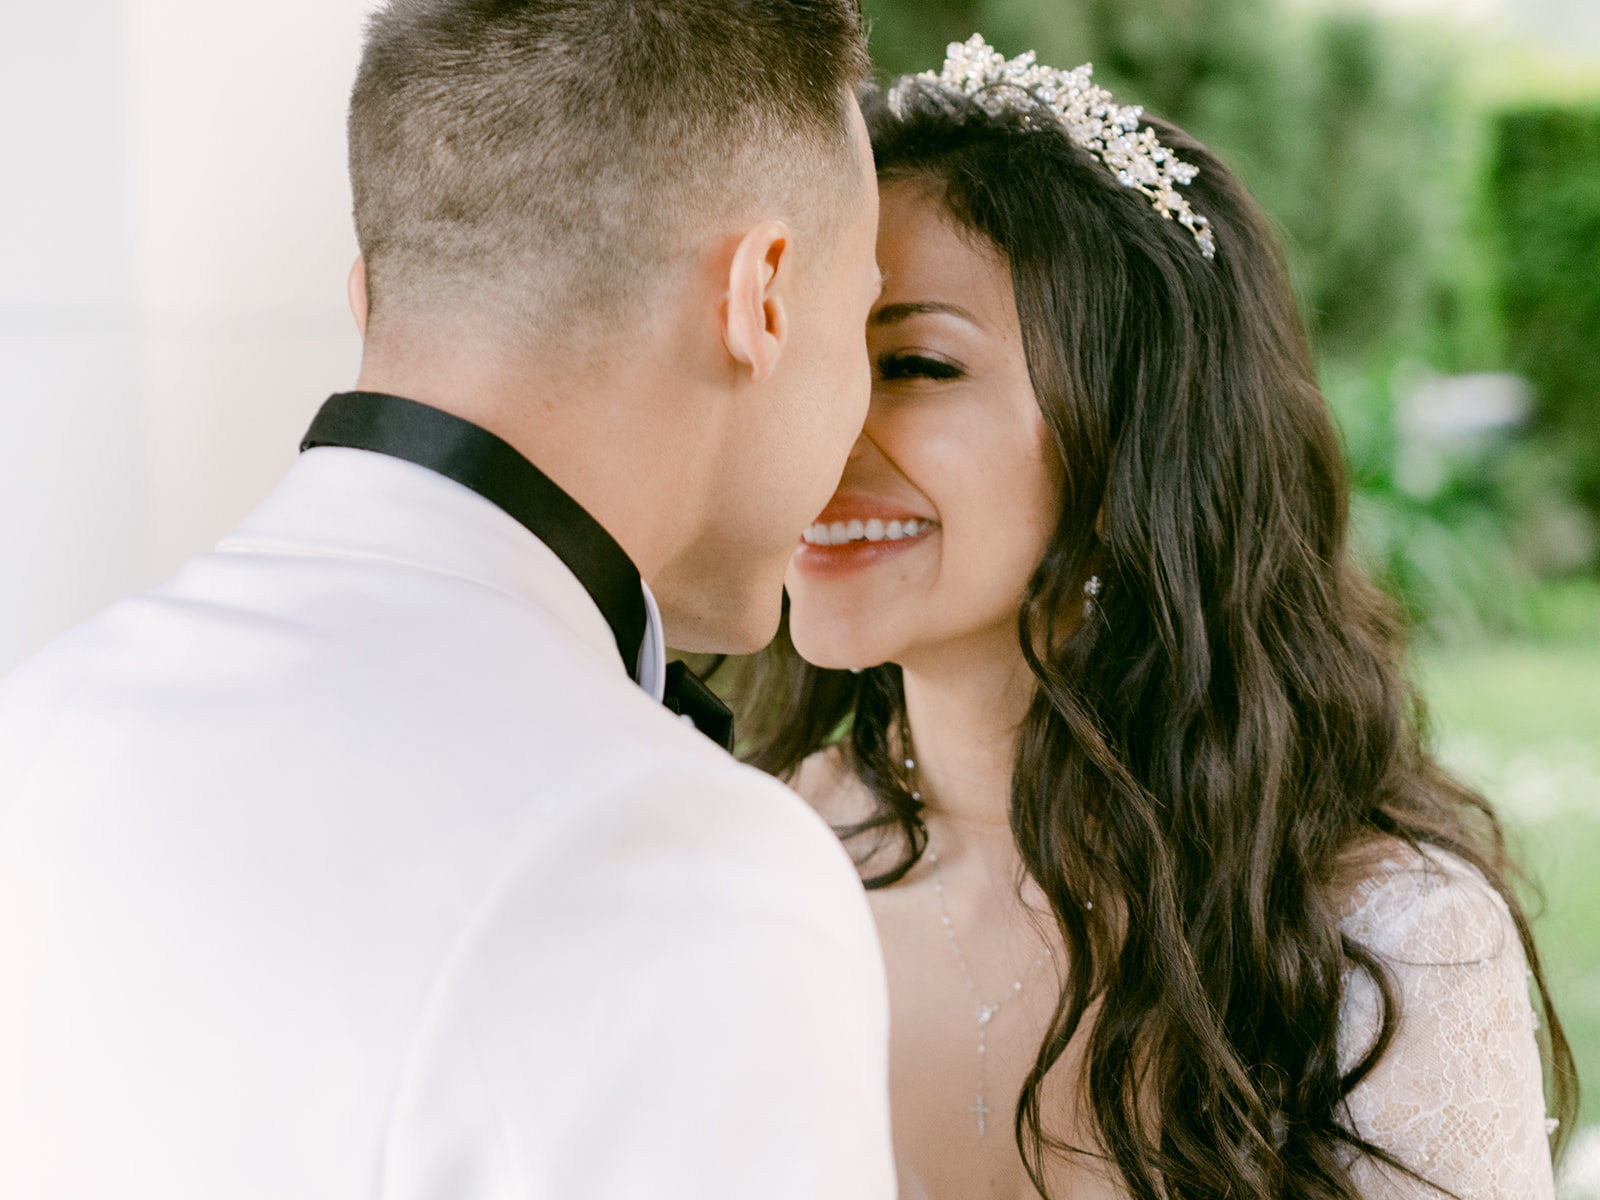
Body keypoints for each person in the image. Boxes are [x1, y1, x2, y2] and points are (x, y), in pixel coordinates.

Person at [0, 3, 895, 1197]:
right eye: (870, 322)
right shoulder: (679, 864)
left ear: (373, 303)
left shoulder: (41, 719)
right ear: (763, 298)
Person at [735, 36, 1577, 1200]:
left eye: (917, 363)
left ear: (1134, 431)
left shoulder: (1378, 940)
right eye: (806, 357)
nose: (818, 431)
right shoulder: (760, 858)